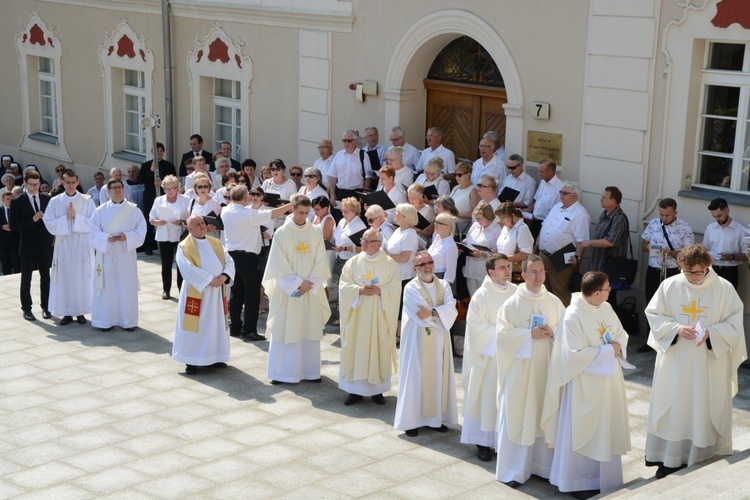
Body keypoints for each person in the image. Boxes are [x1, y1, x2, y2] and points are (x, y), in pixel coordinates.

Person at [644, 245, 747, 479]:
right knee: (675, 404)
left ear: (707, 266)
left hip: (707, 362)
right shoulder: (670, 285)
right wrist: (676, 328)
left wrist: (711, 332)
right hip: (676, 359)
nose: (692, 277)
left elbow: (734, 324)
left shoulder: (723, 289)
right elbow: (655, 315)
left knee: (702, 403)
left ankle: (702, 453)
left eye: (698, 272)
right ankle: (670, 457)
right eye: (687, 272)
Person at [542, 271, 631, 497]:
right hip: (584, 383)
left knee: (605, 426)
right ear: (597, 292)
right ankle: (577, 482)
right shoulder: (572, 315)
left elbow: (620, 334)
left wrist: (617, 345)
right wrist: (608, 350)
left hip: (608, 380)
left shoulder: (606, 308)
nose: (611, 292)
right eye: (608, 288)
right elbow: (573, 354)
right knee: (582, 431)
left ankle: (605, 479)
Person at [495, 254, 564, 486]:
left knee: (544, 413)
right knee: (521, 415)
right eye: (533, 272)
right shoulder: (511, 304)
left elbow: (566, 330)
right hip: (521, 372)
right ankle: (515, 470)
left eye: (542, 271)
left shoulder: (554, 301)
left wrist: (553, 332)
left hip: (546, 368)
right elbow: (502, 337)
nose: (539, 276)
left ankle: (543, 467)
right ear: (522, 275)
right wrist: (527, 335)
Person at [262, 195, 331, 384]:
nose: (304, 217)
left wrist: (310, 283)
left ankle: (310, 372)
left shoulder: (315, 232)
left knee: (309, 327)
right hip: (289, 292)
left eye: (307, 213)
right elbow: (277, 264)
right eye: (300, 212)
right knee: (286, 328)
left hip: (310, 290)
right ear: (292, 209)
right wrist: (297, 284)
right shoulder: (282, 233)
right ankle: (282, 373)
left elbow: (320, 260)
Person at [394, 251, 458, 437]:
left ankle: (434, 420)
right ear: (414, 269)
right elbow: (420, 315)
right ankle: (411, 421)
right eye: (422, 264)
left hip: (439, 340)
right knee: (415, 376)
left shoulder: (443, 285)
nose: (427, 267)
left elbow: (451, 308)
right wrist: (439, 313)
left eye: (430, 262)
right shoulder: (410, 288)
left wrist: (434, 312)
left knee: (438, 375)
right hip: (417, 339)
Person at [461, 254, 517, 462]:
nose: (507, 270)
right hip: (488, 359)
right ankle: (482, 442)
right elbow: (476, 329)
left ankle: (502, 441)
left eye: (508, 267)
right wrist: (505, 336)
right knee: (486, 400)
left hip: (511, 357)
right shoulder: (480, 296)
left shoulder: (517, 292)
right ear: (491, 272)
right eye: (502, 267)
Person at [338, 228, 401, 405]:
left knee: (377, 346)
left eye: (367, 241)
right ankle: (354, 390)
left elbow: (396, 287)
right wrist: (358, 291)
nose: (362, 243)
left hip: (379, 317)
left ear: (378, 244)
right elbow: (343, 285)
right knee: (357, 347)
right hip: (357, 316)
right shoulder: (353, 262)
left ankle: (377, 390)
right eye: (362, 240)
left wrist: (381, 291)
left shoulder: (389, 264)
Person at [222, 185, 292, 342]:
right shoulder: (248, 214)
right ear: (246, 198)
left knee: (237, 292)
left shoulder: (226, 210)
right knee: (252, 293)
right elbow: (272, 214)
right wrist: (291, 204)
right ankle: (249, 330)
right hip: (246, 257)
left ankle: (234, 327)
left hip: (232, 255)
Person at [172, 215, 235, 375]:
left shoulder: (215, 242)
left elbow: (229, 261)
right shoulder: (184, 246)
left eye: (202, 223)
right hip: (198, 292)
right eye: (197, 224)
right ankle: (191, 360)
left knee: (216, 325)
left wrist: (224, 277)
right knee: (196, 327)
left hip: (217, 292)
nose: (202, 226)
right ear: (189, 228)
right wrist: (209, 280)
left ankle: (216, 356)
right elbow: (187, 268)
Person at [89, 177, 147, 331]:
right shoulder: (100, 211)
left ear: (124, 189)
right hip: (106, 255)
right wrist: (105, 238)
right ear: (108, 191)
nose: (117, 190)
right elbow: (93, 233)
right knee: (107, 289)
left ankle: (128, 321)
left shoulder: (134, 210)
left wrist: (127, 237)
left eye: (120, 187)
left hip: (125, 254)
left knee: (126, 288)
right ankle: (105, 321)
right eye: (113, 188)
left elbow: (142, 231)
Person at [638, 197, 694, 353]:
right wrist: (651, 247)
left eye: (667, 215)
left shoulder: (685, 227)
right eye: (661, 214)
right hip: (654, 270)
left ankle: (670, 341)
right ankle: (650, 341)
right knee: (651, 305)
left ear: (675, 212)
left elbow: (688, 254)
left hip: (672, 272)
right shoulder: (654, 224)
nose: (664, 218)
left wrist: (670, 253)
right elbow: (643, 245)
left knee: (671, 308)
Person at [42, 169, 96, 325]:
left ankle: (80, 312)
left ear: (77, 182)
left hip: (81, 243)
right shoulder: (55, 201)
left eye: (74, 182)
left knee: (80, 278)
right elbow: (48, 222)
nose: (71, 185)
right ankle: (66, 312)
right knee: (65, 278)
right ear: (62, 183)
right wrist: (66, 218)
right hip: (64, 244)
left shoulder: (87, 201)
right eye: (68, 182)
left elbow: (94, 222)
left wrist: (76, 217)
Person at [536, 181, 590, 306]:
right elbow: (545, 225)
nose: (561, 195)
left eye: (565, 193)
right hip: (544, 255)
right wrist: (538, 240)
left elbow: (582, 241)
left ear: (575, 196)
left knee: (561, 293)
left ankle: (563, 322)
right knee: (543, 291)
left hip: (561, 259)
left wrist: (578, 257)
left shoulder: (580, 214)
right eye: (561, 192)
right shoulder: (557, 207)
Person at [10, 170, 53, 321]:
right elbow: (13, 225)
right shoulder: (17, 201)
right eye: (32, 184)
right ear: (26, 183)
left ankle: (46, 307)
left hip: (45, 243)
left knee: (46, 277)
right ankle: (27, 308)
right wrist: (32, 219)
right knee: (26, 278)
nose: (35, 187)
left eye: (37, 184)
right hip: (28, 244)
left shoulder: (46, 198)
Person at [383, 203, 420, 345]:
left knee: (399, 306)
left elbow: (405, 258)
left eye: (397, 212)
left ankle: (400, 335)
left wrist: (386, 255)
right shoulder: (398, 230)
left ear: (405, 217)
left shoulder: (410, 234)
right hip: (393, 274)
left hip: (403, 275)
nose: (394, 214)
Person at [149, 175, 191, 300]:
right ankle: (166, 290)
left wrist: (181, 222)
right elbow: (151, 219)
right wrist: (158, 222)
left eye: (173, 188)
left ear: (178, 188)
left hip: (180, 235)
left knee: (180, 264)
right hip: (164, 234)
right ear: (164, 189)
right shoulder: (158, 200)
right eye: (168, 189)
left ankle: (181, 289)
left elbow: (189, 218)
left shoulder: (186, 199)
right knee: (166, 264)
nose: (171, 191)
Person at [139, 142, 177, 255]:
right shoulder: (146, 165)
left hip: (164, 196)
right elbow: (141, 180)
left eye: (161, 151)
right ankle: (148, 246)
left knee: (165, 219)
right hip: (150, 197)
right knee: (150, 220)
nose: (159, 153)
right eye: (156, 151)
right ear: (152, 153)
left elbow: (174, 180)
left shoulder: (168, 165)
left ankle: (166, 244)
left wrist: (162, 184)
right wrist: (150, 171)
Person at [701, 197, 748, 287]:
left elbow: (747, 255)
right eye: (714, 216)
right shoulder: (710, 228)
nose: (717, 219)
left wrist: (731, 256)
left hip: (729, 272)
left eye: (719, 216)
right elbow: (705, 248)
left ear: (727, 210)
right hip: (711, 270)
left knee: (727, 300)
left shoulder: (741, 230)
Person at [462, 203, 501, 295]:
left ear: (489, 217)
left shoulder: (496, 230)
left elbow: (498, 251)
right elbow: (467, 239)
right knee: (473, 297)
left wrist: (483, 253)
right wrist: (462, 245)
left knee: (484, 297)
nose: (478, 221)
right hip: (470, 267)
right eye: (477, 218)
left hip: (484, 270)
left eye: (480, 219)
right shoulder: (475, 225)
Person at [328, 130, 373, 205]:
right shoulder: (338, 155)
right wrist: (332, 194)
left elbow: (368, 177)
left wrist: (364, 195)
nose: (346, 143)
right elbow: (333, 176)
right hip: (341, 193)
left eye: (349, 141)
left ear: (355, 141)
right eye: (344, 140)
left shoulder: (363, 155)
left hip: (356, 194)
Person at [495, 202, 534, 284]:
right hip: (503, 271)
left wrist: (504, 259)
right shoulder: (505, 228)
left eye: (503, 218)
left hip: (515, 273)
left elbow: (526, 254)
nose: (501, 221)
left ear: (512, 215)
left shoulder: (522, 228)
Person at [531, 159, 563, 241]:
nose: (539, 174)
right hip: (534, 221)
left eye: (541, 171)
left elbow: (559, 211)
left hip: (546, 224)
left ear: (550, 171)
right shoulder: (542, 183)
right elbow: (537, 202)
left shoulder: (560, 188)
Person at [450, 162, 480, 235]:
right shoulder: (455, 188)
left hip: (462, 226)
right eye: (455, 175)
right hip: (451, 222)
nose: (457, 177)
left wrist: (458, 214)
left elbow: (476, 214)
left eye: (460, 175)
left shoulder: (473, 190)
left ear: (468, 175)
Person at [428, 213, 458, 283]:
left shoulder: (450, 246)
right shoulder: (437, 238)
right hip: (430, 277)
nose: (435, 224)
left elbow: (450, 270)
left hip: (440, 279)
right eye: (435, 222)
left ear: (447, 228)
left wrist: (444, 287)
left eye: (439, 223)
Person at [0, 191, 20, 275]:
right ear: (2, 200)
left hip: (15, 240)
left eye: (11, 199)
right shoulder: (0, 210)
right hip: (3, 242)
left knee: (16, 264)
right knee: (5, 264)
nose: (10, 201)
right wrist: (2, 227)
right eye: (7, 199)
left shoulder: (18, 210)